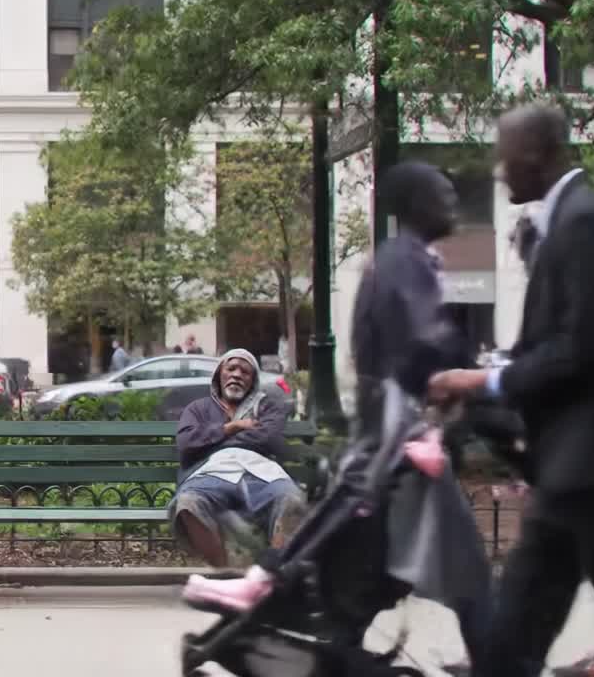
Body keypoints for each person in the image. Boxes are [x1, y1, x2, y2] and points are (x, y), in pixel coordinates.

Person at [185, 162, 491, 667]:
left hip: (403, 447)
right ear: (414, 205)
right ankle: (267, 588)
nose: (454, 201)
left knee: (385, 580)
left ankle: (270, 593)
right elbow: (424, 351)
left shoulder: (400, 262)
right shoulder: (403, 263)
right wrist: (477, 379)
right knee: (457, 580)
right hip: (403, 445)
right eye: (444, 192)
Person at [429, 105, 594, 677]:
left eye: (508, 154)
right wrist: (483, 384)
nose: (499, 169)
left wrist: (484, 380)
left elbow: (580, 347)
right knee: (520, 635)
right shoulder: (570, 221)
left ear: (541, 155)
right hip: (579, 468)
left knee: (521, 633)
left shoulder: (587, 222)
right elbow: (555, 345)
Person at [169, 348, 306, 567]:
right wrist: (233, 427)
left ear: (252, 380)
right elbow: (186, 443)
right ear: (219, 375)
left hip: (260, 474)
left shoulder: (267, 406)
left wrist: (211, 441)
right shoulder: (198, 409)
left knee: (292, 500)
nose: (236, 375)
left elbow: (268, 438)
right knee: (188, 504)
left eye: (245, 371)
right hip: (211, 473)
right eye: (230, 368)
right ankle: (224, 571)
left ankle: (272, 574)